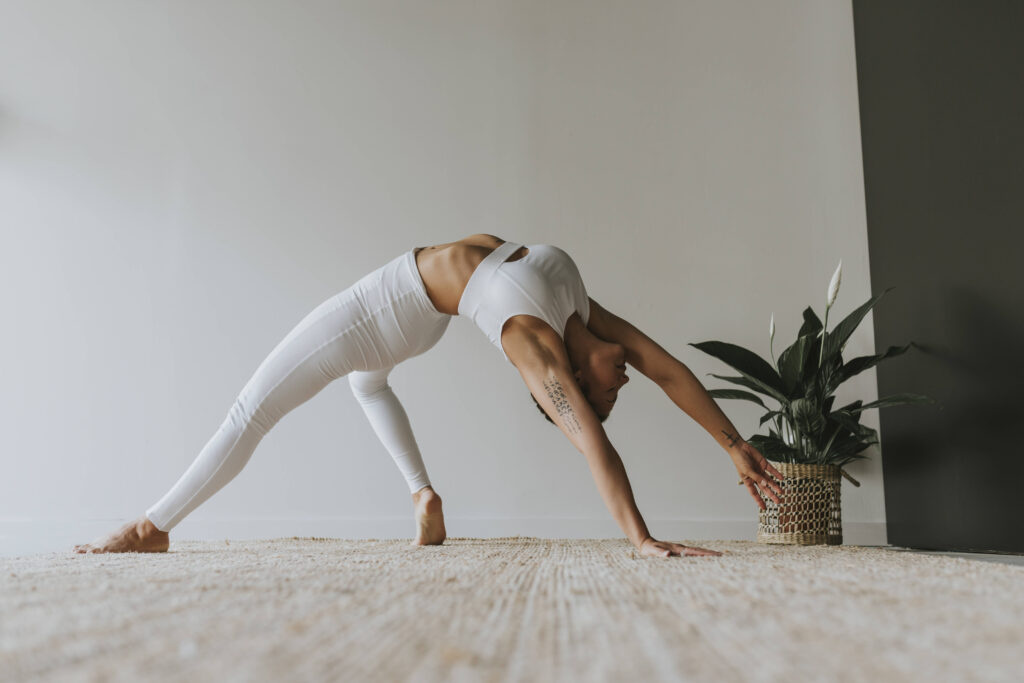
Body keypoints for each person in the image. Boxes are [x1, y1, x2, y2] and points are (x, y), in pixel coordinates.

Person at [74, 234, 785, 558]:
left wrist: (643, 535)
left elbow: (601, 437)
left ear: (567, 384)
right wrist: (731, 445)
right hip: (407, 320)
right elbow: (666, 373)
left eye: (604, 394)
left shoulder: (538, 342)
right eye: (612, 391)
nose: (622, 383)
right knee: (365, 382)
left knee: (251, 408)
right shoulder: (578, 311)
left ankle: (151, 525)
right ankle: (422, 496)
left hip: (388, 309)